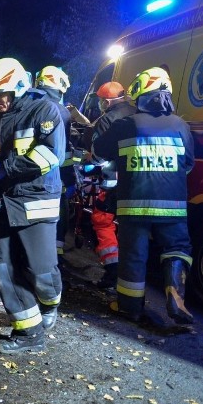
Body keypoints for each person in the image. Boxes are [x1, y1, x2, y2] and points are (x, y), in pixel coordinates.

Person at [0, 57, 66, 354]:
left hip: (36, 202)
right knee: (3, 267)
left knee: (40, 270)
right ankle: (29, 333)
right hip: (3, 205)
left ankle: (50, 303)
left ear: (19, 88)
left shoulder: (43, 111)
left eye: (4, 94)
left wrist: (5, 169)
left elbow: (51, 155)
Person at [92, 67, 195, 325]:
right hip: (172, 204)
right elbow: (189, 164)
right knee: (177, 248)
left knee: (133, 254)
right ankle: (174, 291)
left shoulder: (127, 124)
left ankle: (129, 306)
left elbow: (100, 150)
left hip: (133, 204)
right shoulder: (180, 125)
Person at [80, 81, 137, 290]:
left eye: (101, 101)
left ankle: (112, 271)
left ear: (106, 101)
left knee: (103, 222)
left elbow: (100, 156)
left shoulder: (107, 120)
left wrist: (89, 158)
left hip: (111, 182)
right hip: (137, 182)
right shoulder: (137, 112)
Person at [35, 65, 75, 267]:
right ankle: (55, 258)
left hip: (29, 175)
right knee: (59, 215)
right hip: (54, 176)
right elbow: (63, 151)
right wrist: (70, 179)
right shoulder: (61, 111)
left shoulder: (28, 104)